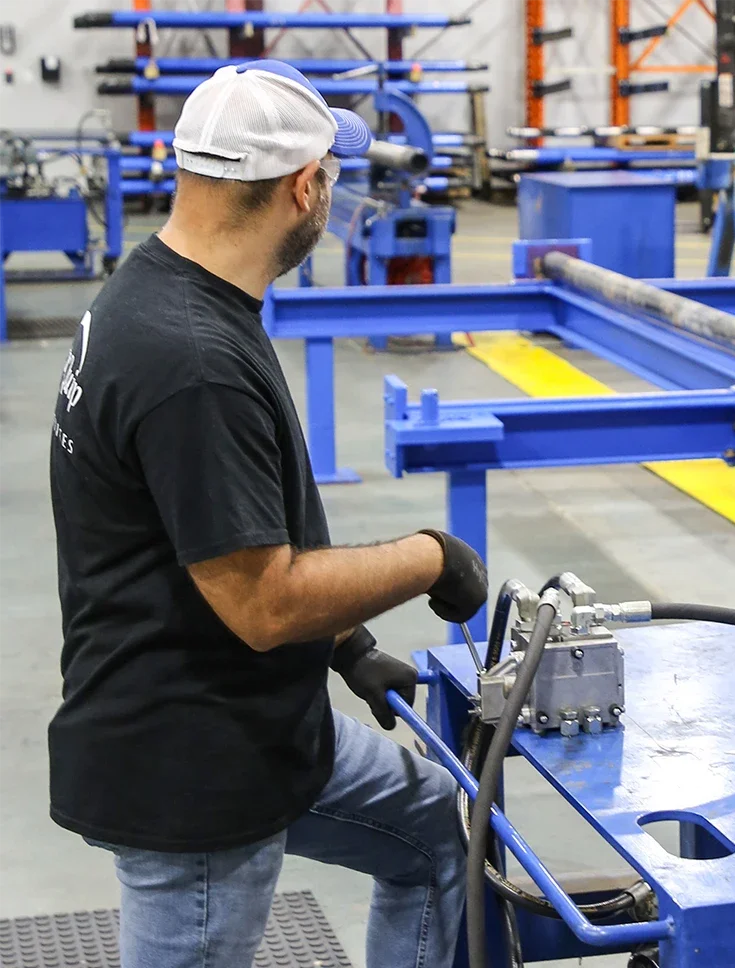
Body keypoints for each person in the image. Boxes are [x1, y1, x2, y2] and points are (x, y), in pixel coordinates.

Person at [48, 61, 487, 968]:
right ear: (302, 188)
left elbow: (221, 527)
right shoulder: (192, 358)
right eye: (332, 172)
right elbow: (266, 603)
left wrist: (352, 648)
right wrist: (432, 556)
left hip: (265, 725)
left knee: (445, 832)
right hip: (195, 765)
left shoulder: (163, 291)